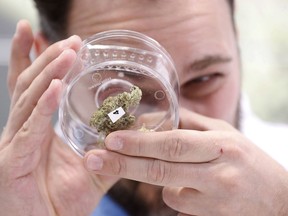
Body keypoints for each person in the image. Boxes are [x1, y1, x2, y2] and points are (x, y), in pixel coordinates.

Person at [1, 0, 288, 215]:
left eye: (204, 79)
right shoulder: (25, 195)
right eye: (116, 83)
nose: (175, 129)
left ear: (235, 37)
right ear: (51, 65)